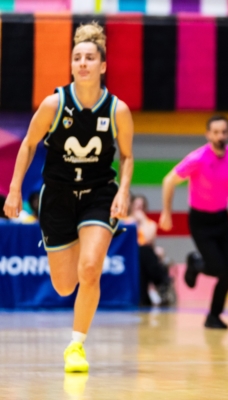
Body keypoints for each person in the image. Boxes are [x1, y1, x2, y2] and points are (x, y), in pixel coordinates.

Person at [3, 22, 134, 373]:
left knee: (90, 269)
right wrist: (14, 188)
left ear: (103, 65)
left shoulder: (117, 110)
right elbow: (29, 143)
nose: (83, 63)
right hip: (58, 196)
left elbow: (127, 155)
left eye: (90, 58)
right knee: (64, 286)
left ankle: (76, 346)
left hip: (99, 195)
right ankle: (68, 249)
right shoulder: (54, 103)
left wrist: (123, 191)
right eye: (77, 58)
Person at [159, 115, 228, 329]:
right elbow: (169, 180)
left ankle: (214, 316)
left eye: (224, 132)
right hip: (200, 220)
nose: (220, 136)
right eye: (215, 132)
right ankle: (196, 262)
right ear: (208, 134)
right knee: (216, 267)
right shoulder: (197, 158)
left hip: (222, 218)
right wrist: (166, 212)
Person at [124, 194, 174, 307]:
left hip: (142, 255)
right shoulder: (124, 221)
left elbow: (148, 239)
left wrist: (142, 220)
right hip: (128, 254)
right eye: (137, 205)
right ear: (131, 206)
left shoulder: (150, 224)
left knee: (144, 252)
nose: (139, 208)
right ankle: (162, 282)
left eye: (142, 206)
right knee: (143, 252)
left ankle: (145, 297)